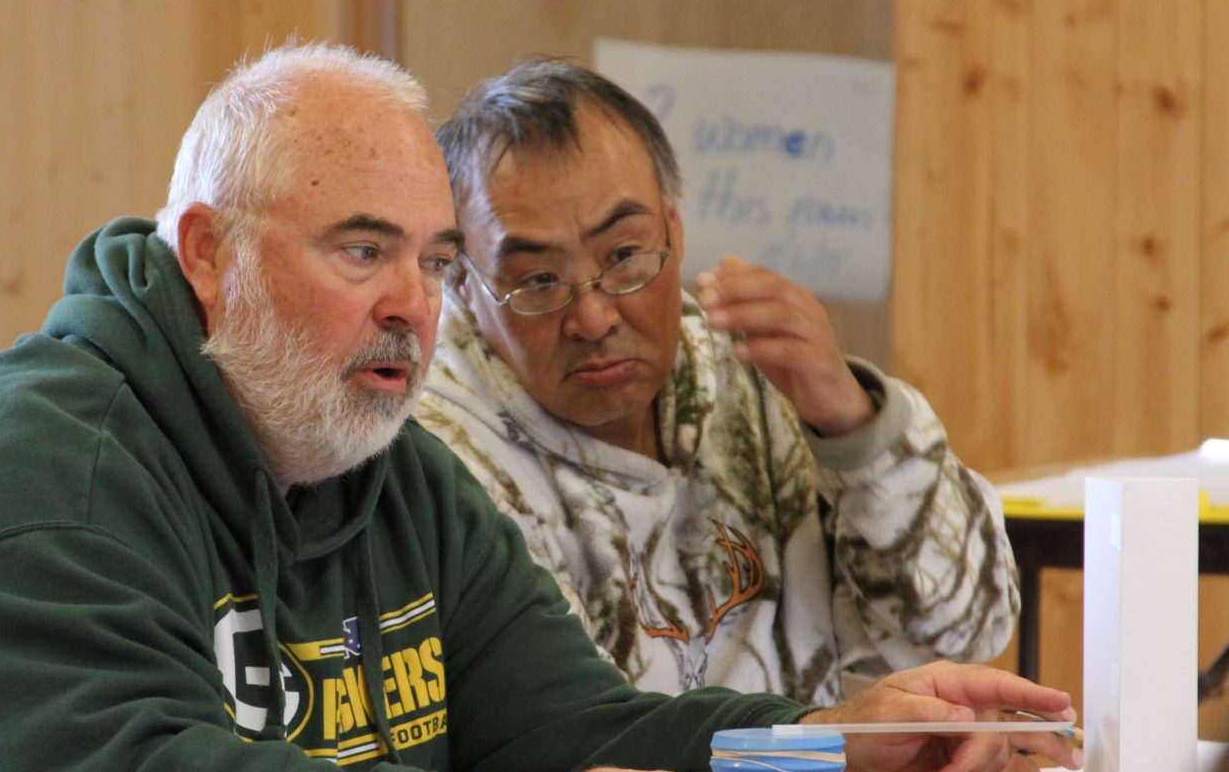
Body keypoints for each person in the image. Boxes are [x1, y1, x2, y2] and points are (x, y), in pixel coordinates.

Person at [0, 42, 1077, 772]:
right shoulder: (31, 467)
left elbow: (569, 726)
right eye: (363, 251)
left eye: (435, 262)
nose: (410, 307)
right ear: (209, 253)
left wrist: (827, 750)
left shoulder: (380, 462)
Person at [418, 58, 1019, 708]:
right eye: (538, 281)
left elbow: (969, 630)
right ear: (462, 286)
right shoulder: (440, 457)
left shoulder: (752, 380)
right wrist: (854, 767)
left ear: (674, 231)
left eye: (624, 256)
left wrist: (856, 429)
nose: (592, 317)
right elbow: (571, 748)